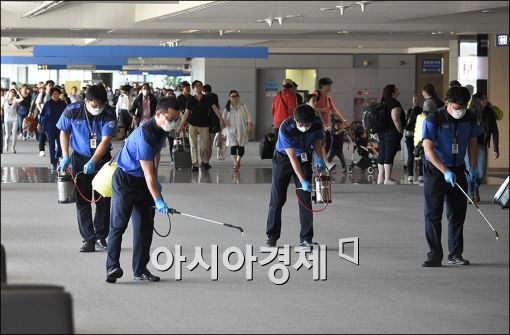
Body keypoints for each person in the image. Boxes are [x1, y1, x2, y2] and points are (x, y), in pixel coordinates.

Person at [105, 97, 182, 283]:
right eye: (171, 119)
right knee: (118, 225)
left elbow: (154, 162)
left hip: (143, 183)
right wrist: (158, 198)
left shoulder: (162, 130)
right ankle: (112, 267)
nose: (174, 123)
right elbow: (147, 173)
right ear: (158, 114)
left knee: (145, 228)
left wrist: (156, 186)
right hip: (126, 181)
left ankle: (140, 269)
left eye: (176, 119)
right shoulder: (145, 135)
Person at [421, 86, 482, 267]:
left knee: (457, 214)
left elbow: (473, 141)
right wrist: (444, 170)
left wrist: (472, 166)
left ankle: (455, 254)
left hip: (458, 169)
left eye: (463, 107)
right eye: (457, 108)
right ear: (447, 103)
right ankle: (434, 255)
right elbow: (428, 148)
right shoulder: (435, 118)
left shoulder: (470, 117)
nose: (460, 111)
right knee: (433, 214)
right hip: (435, 170)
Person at [56, 85, 117, 253]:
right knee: (82, 201)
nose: (97, 108)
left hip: (101, 159)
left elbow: (105, 141)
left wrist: (93, 161)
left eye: (100, 105)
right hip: (79, 158)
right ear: (86, 101)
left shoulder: (109, 113)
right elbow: (64, 132)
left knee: (103, 199)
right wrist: (65, 154)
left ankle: (100, 237)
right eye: (94, 105)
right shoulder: (72, 110)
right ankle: (88, 239)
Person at [266, 104, 326, 249]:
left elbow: (317, 141)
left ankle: (306, 239)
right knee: (278, 198)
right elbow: (292, 158)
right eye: (300, 124)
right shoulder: (286, 127)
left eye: (307, 124)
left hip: (304, 158)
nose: (304, 127)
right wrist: (303, 180)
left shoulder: (317, 123)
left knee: (305, 199)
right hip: (283, 158)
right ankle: (272, 237)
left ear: (312, 121)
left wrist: (320, 159)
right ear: (295, 119)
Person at [177, 80, 225, 171]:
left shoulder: (208, 98)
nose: (199, 87)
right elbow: (186, 114)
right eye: (197, 86)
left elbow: (215, 109)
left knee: (205, 145)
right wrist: (181, 125)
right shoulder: (190, 99)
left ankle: (205, 161)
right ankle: (194, 164)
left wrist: (221, 120)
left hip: (204, 125)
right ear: (193, 88)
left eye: (200, 85)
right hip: (192, 125)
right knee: (193, 145)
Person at [464, 92, 499, 202]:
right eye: (483, 99)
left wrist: (496, 149)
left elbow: (495, 131)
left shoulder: (490, 112)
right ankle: (470, 194)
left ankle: (476, 187)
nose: (485, 100)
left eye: (486, 98)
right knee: (471, 170)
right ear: (477, 101)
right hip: (469, 145)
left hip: (482, 145)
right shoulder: (470, 113)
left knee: (481, 172)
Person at [308, 77, 348, 172]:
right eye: (328, 85)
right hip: (315, 124)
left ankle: (322, 164)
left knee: (324, 144)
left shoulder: (328, 98)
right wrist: (323, 110)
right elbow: (311, 104)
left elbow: (334, 111)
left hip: (324, 125)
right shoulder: (316, 93)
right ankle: (325, 164)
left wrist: (343, 121)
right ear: (323, 85)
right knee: (321, 144)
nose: (330, 87)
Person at [376, 84, 404, 185]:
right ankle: (387, 178)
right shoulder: (394, 103)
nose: (398, 90)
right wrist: (401, 130)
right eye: (396, 89)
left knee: (382, 154)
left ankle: (380, 177)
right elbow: (395, 118)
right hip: (391, 133)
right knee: (389, 155)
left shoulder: (383, 102)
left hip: (381, 133)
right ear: (393, 92)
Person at [222, 90, 253, 171]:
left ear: (238, 97)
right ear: (230, 97)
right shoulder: (227, 108)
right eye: (232, 96)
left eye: (236, 96)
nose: (234, 97)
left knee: (241, 148)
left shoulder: (243, 106)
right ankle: (235, 164)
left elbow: (249, 117)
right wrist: (222, 125)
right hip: (230, 130)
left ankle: (238, 160)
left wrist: (249, 125)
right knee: (233, 146)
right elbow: (223, 119)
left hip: (242, 130)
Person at [38, 86, 67, 170]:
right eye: (54, 94)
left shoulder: (63, 103)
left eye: (58, 94)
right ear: (51, 95)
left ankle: (58, 156)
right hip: (49, 127)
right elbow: (42, 114)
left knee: (61, 144)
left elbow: (67, 115)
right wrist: (39, 123)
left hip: (60, 127)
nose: (56, 95)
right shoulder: (48, 103)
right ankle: (53, 162)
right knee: (51, 145)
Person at [404, 95, 423, 184]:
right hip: (409, 135)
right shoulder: (409, 110)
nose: (415, 101)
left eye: (417, 100)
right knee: (410, 155)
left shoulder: (421, 110)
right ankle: (410, 175)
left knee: (420, 155)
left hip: (418, 136)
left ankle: (421, 175)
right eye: (414, 100)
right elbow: (407, 122)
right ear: (412, 101)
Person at [2, 89, 19, 154]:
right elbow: (1, 106)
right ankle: (6, 145)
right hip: (7, 119)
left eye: (13, 93)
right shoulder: (5, 100)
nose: (12, 93)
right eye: (11, 92)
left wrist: (18, 92)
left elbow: (21, 99)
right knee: (8, 135)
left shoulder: (15, 100)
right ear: (8, 93)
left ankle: (13, 148)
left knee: (14, 134)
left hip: (15, 119)